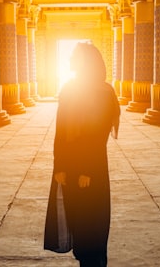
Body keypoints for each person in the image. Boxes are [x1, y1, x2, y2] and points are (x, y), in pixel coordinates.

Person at [44, 42, 120, 267]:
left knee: (91, 219)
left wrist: (88, 170)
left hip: (91, 167)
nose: (71, 62)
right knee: (76, 215)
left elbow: (98, 135)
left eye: (75, 58)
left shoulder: (103, 91)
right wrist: (60, 166)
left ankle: (94, 261)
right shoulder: (69, 88)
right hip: (70, 165)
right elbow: (60, 131)